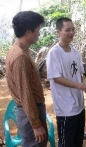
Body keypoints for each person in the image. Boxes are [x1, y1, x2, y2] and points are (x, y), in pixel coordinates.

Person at [5, 11, 47, 146]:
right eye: (38, 30)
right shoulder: (20, 57)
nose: (39, 34)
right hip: (30, 113)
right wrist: (36, 124)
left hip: (29, 112)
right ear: (28, 32)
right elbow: (25, 94)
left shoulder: (19, 50)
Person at [46, 17, 86, 147]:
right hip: (66, 108)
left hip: (79, 105)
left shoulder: (76, 52)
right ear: (58, 32)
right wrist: (81, 86)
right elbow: (56, 78)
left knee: (77, 141)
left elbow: (79, 75)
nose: (71, 33)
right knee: (67, 143)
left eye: (73, 30)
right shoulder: (54, 53)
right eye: (67, 30)